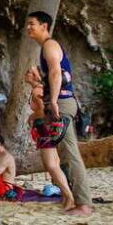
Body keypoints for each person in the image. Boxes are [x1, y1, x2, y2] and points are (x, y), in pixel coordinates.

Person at [25, 11, 93, 216]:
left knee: (70, 154)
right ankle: (77, 200)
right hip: (60, 102)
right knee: (65, 154)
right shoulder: (45, 47)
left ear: (44, 26)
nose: (29, 28)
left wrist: (52, 101)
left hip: (62, 103)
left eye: (32, 24)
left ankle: (84, 204)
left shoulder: (50, 45)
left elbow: (56, 72)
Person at [24, 74, 76, 210]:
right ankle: (66, 195)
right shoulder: (42, 89)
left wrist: (31, 117)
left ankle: (68, 195)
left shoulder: (37, 91)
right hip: (47, 126)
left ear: (35, 76)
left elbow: (42, 109)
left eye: (30, 72)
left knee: (51, 165)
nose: (26, 74)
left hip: (43, 127)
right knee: (55, 163)